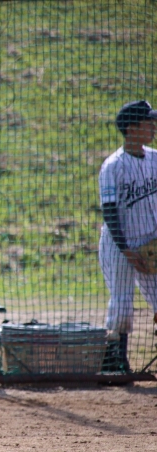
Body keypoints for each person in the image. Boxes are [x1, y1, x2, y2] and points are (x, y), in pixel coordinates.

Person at [98, 100, 157, 373]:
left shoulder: (155, 159)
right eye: (148, 122)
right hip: (119, 243)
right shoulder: (113, 166)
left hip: (151, 243)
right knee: (122, 304)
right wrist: (126, 250)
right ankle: (115, 362)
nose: (153, 127)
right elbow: (109, 212)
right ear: (131, 128)